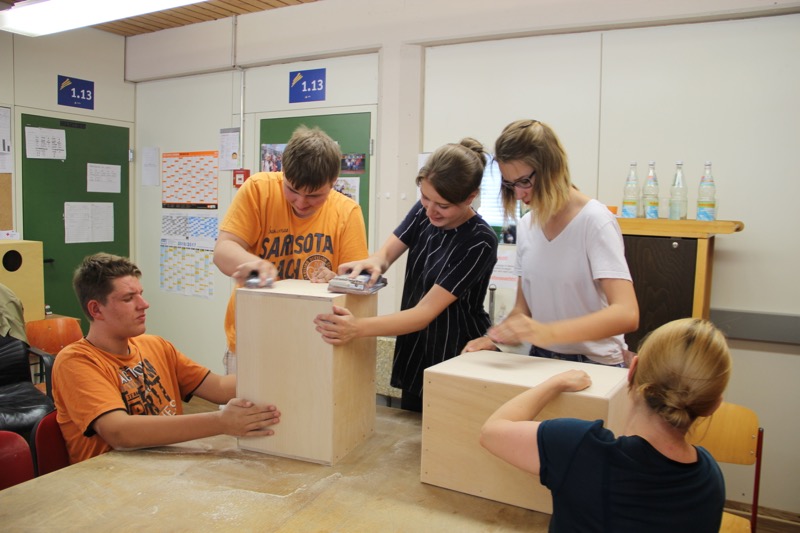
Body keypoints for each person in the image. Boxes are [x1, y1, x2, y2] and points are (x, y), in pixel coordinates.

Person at [480, 318, 732, 532]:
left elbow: (492, 431)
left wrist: (555, 383)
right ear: (713, 405)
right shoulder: (710, 479)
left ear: (632, 370)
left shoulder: (581, 448)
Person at [314, 138, 498, 412]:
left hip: (456, 352)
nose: (431, 210)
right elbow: (383, 257)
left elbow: (424, 313)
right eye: (425, 197)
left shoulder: (479, 241)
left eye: (443, 205)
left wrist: (357, 328)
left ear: (470, 197)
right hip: (415, 347)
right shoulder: (425, 212)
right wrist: (362, 270)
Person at [52, 253, 281, 465]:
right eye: (128, 298)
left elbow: (219, 388)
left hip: (164, 468)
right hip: (110, 479)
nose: (144, 304)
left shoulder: (155, 346)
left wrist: (284, 373)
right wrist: (221, 422)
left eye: (140, 294)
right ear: (96, 309)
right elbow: (120, 432)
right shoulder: (76, 362)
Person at [463, 119, 638, 366]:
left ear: (551, 168)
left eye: (524, 181)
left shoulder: (595, 221)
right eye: (510, 184)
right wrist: (496, 338)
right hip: (541, 358)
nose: (519, 194)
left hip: (594, 362)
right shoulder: (527, 225)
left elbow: (626, 313)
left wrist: (548, 332)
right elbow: (523, 310)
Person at [213, 125, 368, 375]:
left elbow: (357, 288)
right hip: (252, 337)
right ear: (282, 171)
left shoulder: (347, 212)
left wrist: (337, 281)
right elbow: (222, 250)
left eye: (314, 196)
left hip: (314, 342)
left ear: (333, 183)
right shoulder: (258, 189)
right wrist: (251, 263)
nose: (301, 202)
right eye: (292, 190)